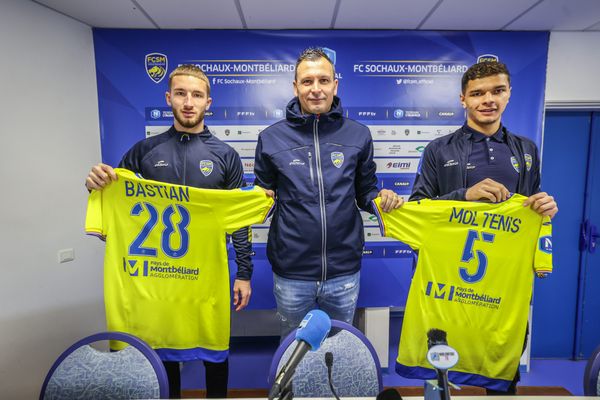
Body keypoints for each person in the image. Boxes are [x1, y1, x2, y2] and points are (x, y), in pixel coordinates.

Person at [86, 64, 251, 398]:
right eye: (180, 93)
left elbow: (240, 223)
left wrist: (244, 273)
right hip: (159, 276)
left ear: (208, 102)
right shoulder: (143, 151)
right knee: (164, 357)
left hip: (207, 275)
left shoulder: (226, 156)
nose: (188, 102)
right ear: (168, 98)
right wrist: (96, 186)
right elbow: (116, 200)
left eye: (196, 95)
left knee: (214, 353)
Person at [410, 61, 558, 394]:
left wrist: (544, 208)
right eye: (477, 93)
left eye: (497, 91)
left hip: (501, 286)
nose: (487, 99)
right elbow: (419, 208)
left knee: (502, 369)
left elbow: (531, 211)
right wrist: (466, 196)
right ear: (463, 99)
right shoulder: (439, 150)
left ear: (508, 95)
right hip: (448, 285)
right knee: (440, 374)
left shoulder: (527, 150)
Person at [253, 47, 403, 339]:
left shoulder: (358, 135)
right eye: (307, 81)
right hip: (291, 273)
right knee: (294, 350)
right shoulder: (270, 138)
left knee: (338, 349)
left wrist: (381, 198)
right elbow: (263, 197)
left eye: (323, 80)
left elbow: (365, 191)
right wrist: (252, 200)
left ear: (336, 84)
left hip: (343, 273)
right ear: (295, 87)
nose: (316, 89)